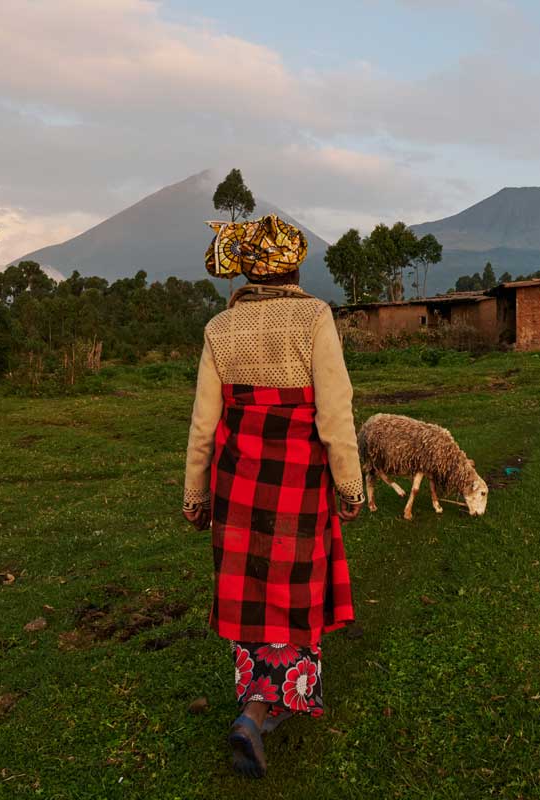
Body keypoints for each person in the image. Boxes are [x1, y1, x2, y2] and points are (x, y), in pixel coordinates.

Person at [183, 215, 364, 779]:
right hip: (298, 483)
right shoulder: (313, 317)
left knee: (251, 592)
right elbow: (335, 413)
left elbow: (202, 426)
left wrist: (195, 496)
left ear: (248, 266)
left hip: (237, 484)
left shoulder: (220, 329)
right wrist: (350, 485)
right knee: (293, 589)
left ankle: (255, 705)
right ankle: (267, 708)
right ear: (293, 265)